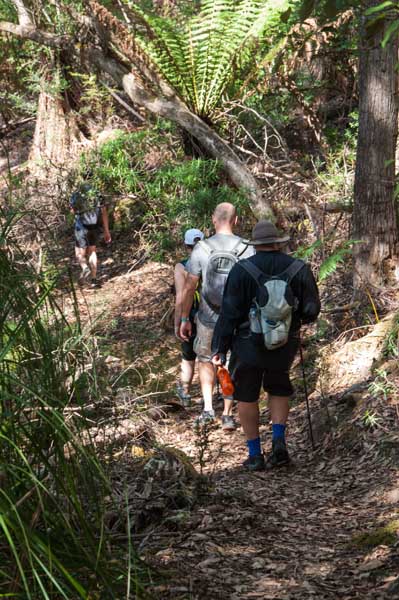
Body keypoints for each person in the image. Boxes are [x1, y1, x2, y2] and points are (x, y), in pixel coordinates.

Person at [211, 220, 321, 470]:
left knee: (247, 395)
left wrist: (219, 347)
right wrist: (292, 323)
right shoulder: (298, 268)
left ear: (256, 245)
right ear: (277, 243)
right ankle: (279, 443)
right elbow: (312, 309)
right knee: (279, 388)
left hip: (248, 344)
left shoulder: (241, 270)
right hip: (284, 343)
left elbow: (229, 313)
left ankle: (254, 455)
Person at [179, 202, 254, 430]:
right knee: (231, 362)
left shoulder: (201, 249)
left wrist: (184, 318)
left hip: (207, 316)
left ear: (213, 219)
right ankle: (228, 414)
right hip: (239, 319)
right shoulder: (247, 248)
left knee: (204, 359)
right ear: (236, 220)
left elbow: (190, 286)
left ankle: (208, 408)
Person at [174, 228, 204, 406]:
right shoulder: (212, 260)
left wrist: (179, 321)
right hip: (211, 313)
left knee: (188, 355)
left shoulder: (182, 266)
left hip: (190, 315)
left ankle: (185, 394)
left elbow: (180, 296)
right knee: (210, 356)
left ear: (186, 245)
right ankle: (215, 397)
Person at [70, 181, 111, 288]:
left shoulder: (76, 195)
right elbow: (104, 213)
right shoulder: (98, 195)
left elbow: (72, 211)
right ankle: (93, 279)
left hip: (81, 227)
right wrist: (106, 230)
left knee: (79, 253)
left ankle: (84, 267)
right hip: (94, 227)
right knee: (92, 251)